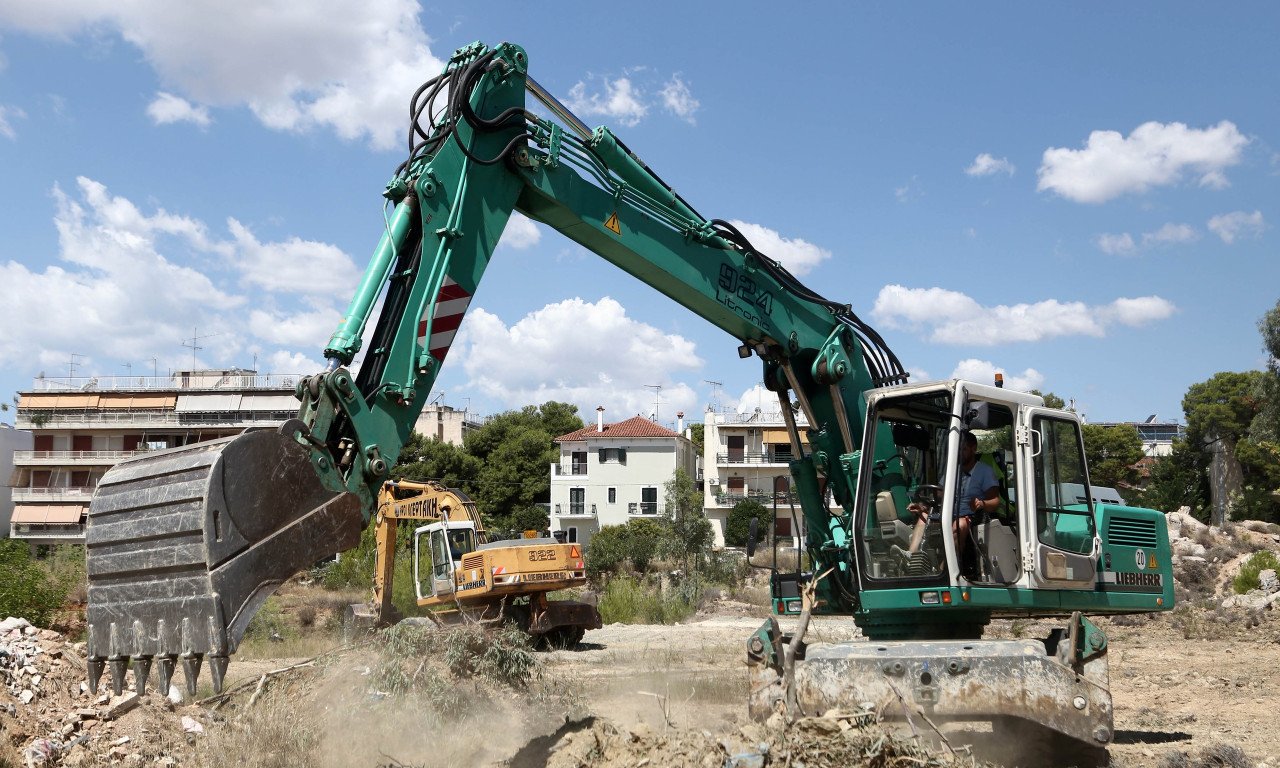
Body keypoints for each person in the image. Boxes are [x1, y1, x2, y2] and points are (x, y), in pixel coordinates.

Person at [905, 431, 999, 565]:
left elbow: (995, 502)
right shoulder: (952, 471)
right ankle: (911, 558)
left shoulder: (985, 471)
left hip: (974, 516)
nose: (960, 452)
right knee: (924, 517)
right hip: (950, 514)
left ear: (974, 449)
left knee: (959, 525)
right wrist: (923, 508)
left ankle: (947, 569)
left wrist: (982, 503)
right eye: (958, 449)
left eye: (964, 449)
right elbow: (938, 497)